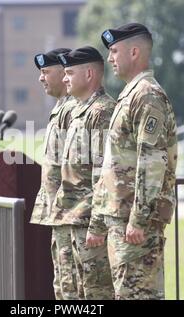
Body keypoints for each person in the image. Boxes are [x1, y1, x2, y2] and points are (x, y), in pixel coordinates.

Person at [86, 23, 178, 300]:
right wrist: (99, 221)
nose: (110, 58)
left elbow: (151, 163)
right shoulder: (130, 94)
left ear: (134, 52)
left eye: (114, 51)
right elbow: (113, 165)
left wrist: (138, 219)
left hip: (135, 223)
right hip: (119, 217)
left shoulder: (147, 95)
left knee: (138, 296)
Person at [49, 46, 115, 299]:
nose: (64, 79)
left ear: (89, 74)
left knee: (96, 294)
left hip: (90, 222)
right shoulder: (78, 111)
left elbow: (104, 174)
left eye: (69, 73)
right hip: (73, 218)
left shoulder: (102, 112)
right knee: (74, 292)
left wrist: (97, 224)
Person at [30, 48, 80, 300]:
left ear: (63, 73)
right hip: (60, 213)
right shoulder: (62, 107)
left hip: (73, 214)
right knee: (63, 287)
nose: (41, 78)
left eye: (46, 72)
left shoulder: (75, 109)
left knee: (74, 290)